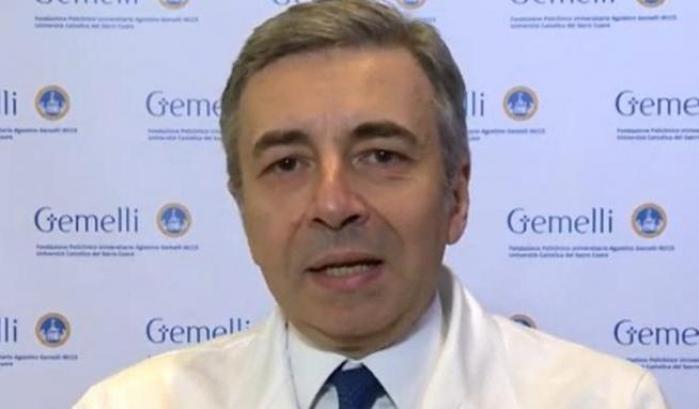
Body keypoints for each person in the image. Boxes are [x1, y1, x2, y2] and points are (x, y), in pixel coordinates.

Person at [74, 1, 669, 408]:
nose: (334, 205)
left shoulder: (607, 400)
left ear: (457, 193)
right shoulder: (130, 404)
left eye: (381, 155)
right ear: (243, 208)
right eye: (287, 165)